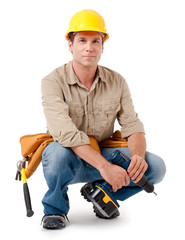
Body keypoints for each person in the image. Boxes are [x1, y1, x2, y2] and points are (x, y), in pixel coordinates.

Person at [41, 9, 166, 229]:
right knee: (56, 154)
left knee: (155, 167)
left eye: (95, 41)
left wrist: (136, 157)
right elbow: (67, 134)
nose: (89, 47)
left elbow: (133, 125)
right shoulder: (52, 82)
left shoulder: (117, 81)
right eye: (82, 41)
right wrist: (105, 168)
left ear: (102, 46)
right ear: (70, 45)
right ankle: (55, 210)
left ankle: (102, 194)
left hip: (104, 153)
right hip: (69, 158)